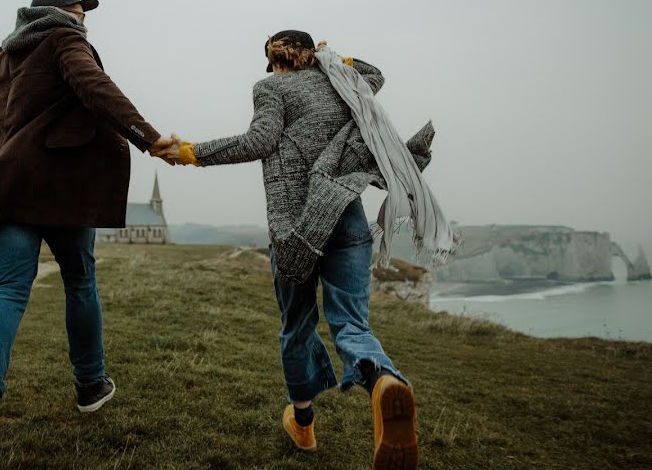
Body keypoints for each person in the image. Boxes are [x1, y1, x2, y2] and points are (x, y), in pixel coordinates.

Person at [154, 30, 457, 469]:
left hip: (297, 227)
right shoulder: (342, 83)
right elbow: (375, 74)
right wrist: (333, 59)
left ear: (272, 61)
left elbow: (257, 142)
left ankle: (303, 424)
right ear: (312, 55)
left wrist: (189, 152)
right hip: (346, 215)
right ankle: (385, 381)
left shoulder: (270, 87)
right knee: (351, 323)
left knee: (296, 327)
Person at [0, 0, 173, 470]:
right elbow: (96, 89)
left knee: (7, 289)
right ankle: (91, 385)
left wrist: (14, 142)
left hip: (3, 188)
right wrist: (150, 139)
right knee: (80, 280)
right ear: (55, 13)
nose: (83, 18)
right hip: (61, 193)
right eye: (78, 10)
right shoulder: (64, 40)